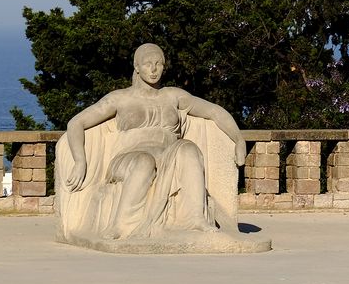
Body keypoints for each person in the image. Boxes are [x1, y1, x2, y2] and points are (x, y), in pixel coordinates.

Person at [59, 43, 247, 240]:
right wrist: (80, 161)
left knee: (189, 150)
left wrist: (239, 139)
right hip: (128, 159)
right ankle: (120, 225)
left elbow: (214, 111)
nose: (154, 69)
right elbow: (76, 123)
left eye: (159, 64)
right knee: (144, 162)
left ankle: (196, 219)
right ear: (137, 67)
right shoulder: (120, 98)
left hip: (167, 155)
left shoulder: (173, 96)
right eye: (148, 64)